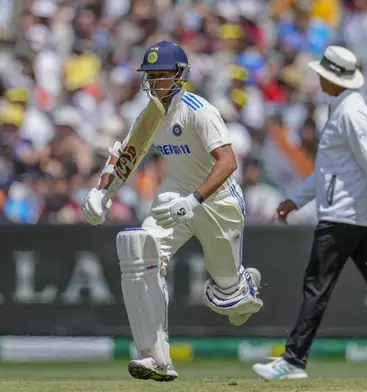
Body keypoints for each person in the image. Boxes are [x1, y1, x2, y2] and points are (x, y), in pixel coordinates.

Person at [81, 41, 263, 382]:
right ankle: (154, 357)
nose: (154, 83)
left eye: (161, 75)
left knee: (230, 302)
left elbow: (228, 162)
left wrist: (194, 201)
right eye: (150, 76)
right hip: (173, 196)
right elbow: (127, 157)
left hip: (218, 202)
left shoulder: (199, 110)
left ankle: (242, 285)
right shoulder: (151, 113)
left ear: (180, 75)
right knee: (138, 250)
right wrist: (100, 194)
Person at [251, 45, 367, 380]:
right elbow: (328, 169)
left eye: (323, 74)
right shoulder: (342, 108)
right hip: (353, 215)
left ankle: (294, 360)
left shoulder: (351, 114)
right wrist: (296, 200)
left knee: (317, 286)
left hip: (343, 216)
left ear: (336, 79)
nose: (318, 79)